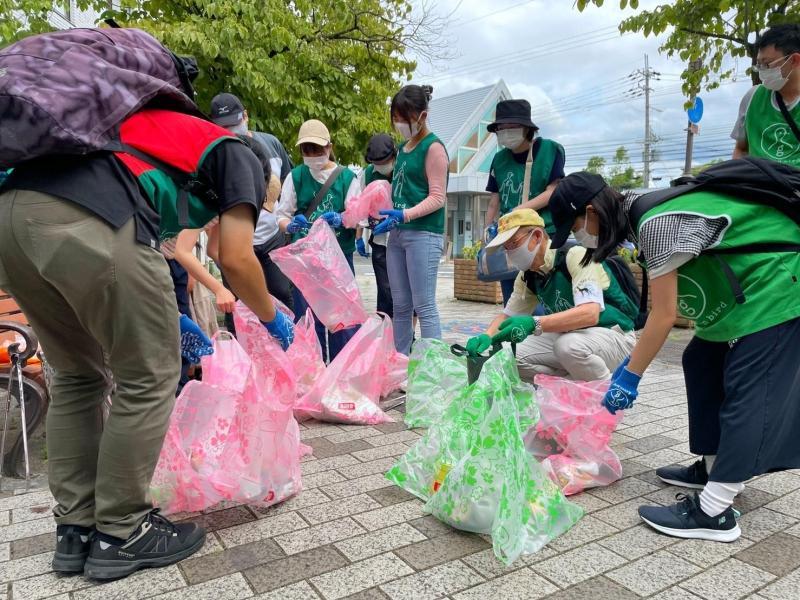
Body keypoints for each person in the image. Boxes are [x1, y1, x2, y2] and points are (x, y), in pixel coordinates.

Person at [0, 106, 294, 580]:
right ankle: (122, 531)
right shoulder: (238, 155)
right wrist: (270, 314)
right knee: (149, 375)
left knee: (77, 376)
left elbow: (135, 258)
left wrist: (174, 320)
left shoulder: (150, 137)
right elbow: (237, 257)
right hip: (87, 217)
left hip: (13, 214)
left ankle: (75, 530)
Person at [547, 170, 800, 543]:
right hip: (748, 291)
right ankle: (715, 467)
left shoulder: (654, 224)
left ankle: (715, 511)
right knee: (699, 360)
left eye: (575, 225)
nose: (578, 236)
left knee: (750, 388)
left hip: (778, 286)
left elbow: (663, 316)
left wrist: (630, 375)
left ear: (591, 211)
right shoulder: (637, 220)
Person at [465, 207, 637, 382]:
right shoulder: (527, 276)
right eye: (506, 248)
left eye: (514, 244)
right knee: (507, 355)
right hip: (572, 337)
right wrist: (487, 336)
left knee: (568, 347)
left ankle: (606, 396)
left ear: (538, 236)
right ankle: (565, 390)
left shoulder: (576, 255)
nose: (510, 253)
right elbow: (508, 315)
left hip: (613, 335)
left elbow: (590, 313)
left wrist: (534, 323)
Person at [276, 119, 360, 362]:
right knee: (308, 320)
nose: (312, 155)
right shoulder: (296, 176)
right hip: (306, 261)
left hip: (338, 260)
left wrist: (343, 219)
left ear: (329, 147)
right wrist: (289, 225)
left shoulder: (346, 178)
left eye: (317, 149)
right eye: (306, 150)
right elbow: (281, 215)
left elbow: (357, 217)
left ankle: (340, 373)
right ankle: (312, 374)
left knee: (341, 321)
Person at [373, 84, 448, 355]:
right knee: (400, 304)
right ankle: (401, 361)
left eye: (405, 118)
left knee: (424, 304)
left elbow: (438, 197)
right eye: (396, 117)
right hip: (398, 235)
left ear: (422, 116)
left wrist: (404, 214)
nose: (399, 123)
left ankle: (434, 367)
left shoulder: (434, 148)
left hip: (424, 233)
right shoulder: (403, 149)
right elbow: (401, 191)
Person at [210, 94, 296, 324]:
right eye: (224, 126)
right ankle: (244, 358)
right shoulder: (215, 155)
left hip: (271, 238)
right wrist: (220, 283)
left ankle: (289, 353)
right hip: (235, 245)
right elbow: (208, 248)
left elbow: (289, 184)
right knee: (239, 310)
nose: (231, 129)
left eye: (234, 122)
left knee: (282, 298)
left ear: (245, 116)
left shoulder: (271, 144)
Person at [484, 99, 565, 305]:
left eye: (511, 127)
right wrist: (486, 230)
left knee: (542, 295)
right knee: (512, 296)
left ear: (527, 128)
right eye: (500, 128)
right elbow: (494, 200)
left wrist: (519, 210)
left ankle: (542, 331)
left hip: (542, 234)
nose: (504, 131)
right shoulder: (499, 159)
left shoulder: (550, 150)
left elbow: (553, 190)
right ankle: (513, 334)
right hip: (509, 237)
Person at [732, 24, 800, 165]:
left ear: (794, 60)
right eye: (759, 64)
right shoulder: (752, 97)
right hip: (757, 183)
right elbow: (740, 149)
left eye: (767, 64)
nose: (762, 70)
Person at [359, 133, 397, 317]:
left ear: (394, 156)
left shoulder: (403, 170)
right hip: (380, 241)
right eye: (376, 162)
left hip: (403, 238)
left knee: (405, 291)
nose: (380, 166)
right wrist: (359, 236)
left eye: (384, 161)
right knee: (385, 291)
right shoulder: (367, 174)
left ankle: (407, 336)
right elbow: (360, 206)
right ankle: (385, 333)